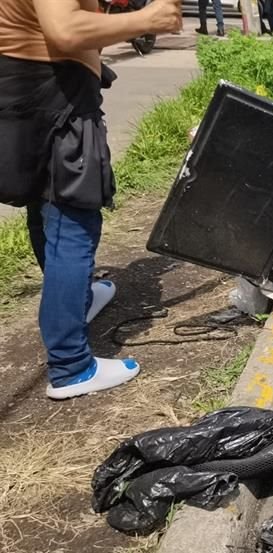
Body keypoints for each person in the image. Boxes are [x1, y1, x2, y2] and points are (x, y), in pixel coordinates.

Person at [0, 0, 183, 399]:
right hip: (53, 96)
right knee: (73, 221)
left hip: (25, 88)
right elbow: (63, 29)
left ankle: (78, 301)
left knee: (45, 207)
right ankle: (71, 366)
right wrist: (148, 20)